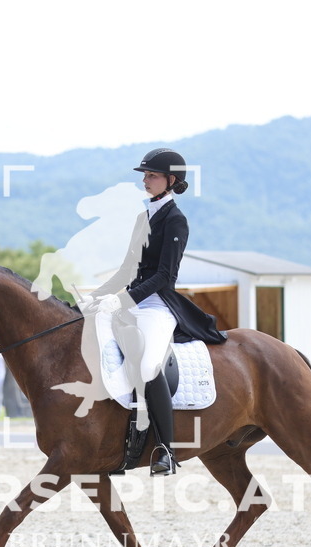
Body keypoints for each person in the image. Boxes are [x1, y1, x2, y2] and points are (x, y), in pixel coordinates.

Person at [84, 148, 226, 475]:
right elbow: (126, 270)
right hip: (132, 299)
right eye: (145, 176)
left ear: (170, 181)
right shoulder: (143, 217)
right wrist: (96, 296)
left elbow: (164, 276)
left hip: (158, 306)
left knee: (148, 366)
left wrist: (123, 300)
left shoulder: (176, 220)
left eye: (152, 175)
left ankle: (165, 449)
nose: (145, 181)